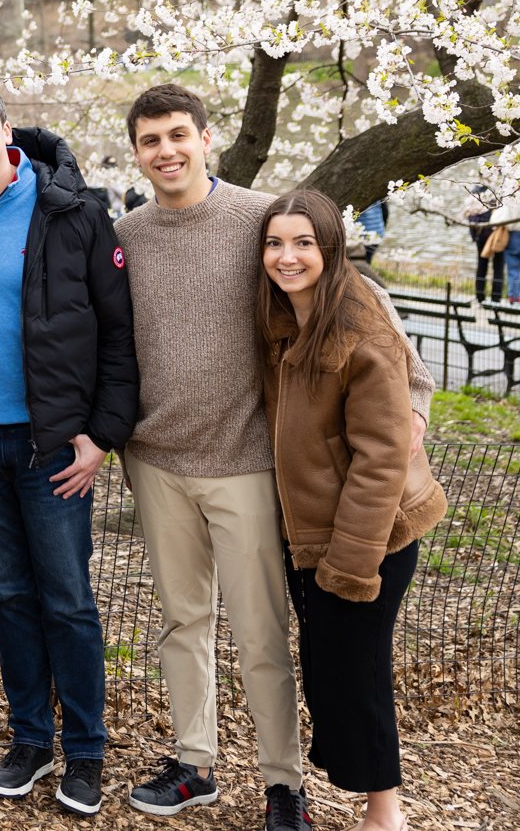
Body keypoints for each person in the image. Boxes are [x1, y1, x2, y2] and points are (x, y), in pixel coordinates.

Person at [114, 83, 429, 831]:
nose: (166, 150)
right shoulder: (126, 231)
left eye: (178, 135)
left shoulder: (262, 220)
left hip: (250, 462)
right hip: (157, 459)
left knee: (261, 633)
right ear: (136, 151)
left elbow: (364, 307)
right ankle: (195, 762)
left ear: (207, 137)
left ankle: (282, 783)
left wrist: (413, 404)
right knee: (182, 621)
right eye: (151, 140)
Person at [0, 76, 137, 817]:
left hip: (53, 446)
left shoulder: (69, 209)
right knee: (11, 596)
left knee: (68, 599)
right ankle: (30, 739)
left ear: (5, 128)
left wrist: (102, 434)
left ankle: (87, 752)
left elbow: (116, 330)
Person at [256, 189, 447, 831]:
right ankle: (365, 791)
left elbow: (382, 461)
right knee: (329, 668)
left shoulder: (359, 331)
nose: (287, 257)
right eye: (275, 243)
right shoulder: (282, 321)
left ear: (331, 249)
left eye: (304, 243)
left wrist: (350, 565)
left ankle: (384, 812)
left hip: (372, 536)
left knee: (358, 673)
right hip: (310, 530)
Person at [460, 185, 503, 303]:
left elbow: (470, 216)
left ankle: (480, 297)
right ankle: (496, 298)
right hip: (495, 234)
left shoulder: (474, 193)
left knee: (481, 266)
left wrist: (474, 235)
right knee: (498, 267)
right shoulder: (495, 191)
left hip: (481, 235)